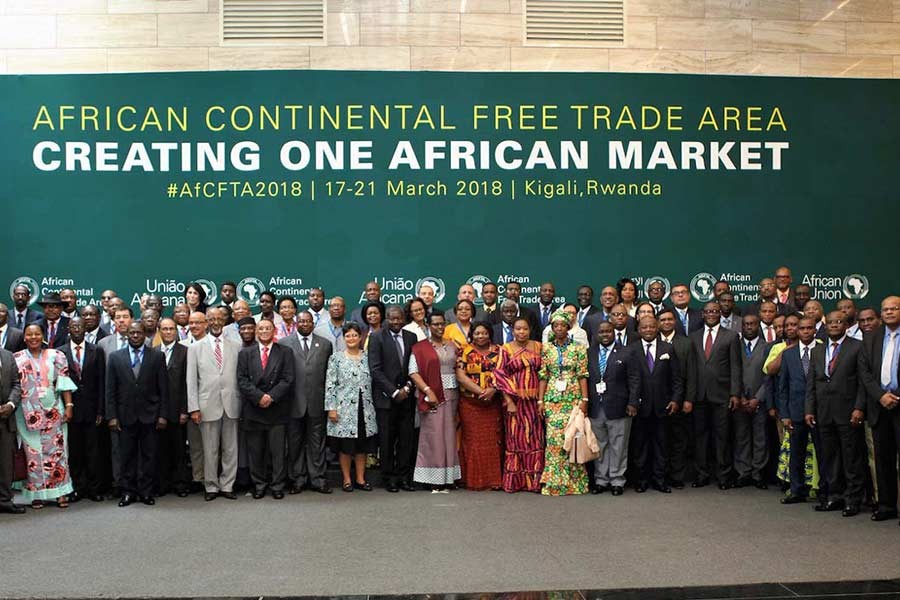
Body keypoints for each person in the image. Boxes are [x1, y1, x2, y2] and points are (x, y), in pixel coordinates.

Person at [805, 311, 867, 517]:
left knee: (851, 458)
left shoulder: (857, 347)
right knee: (829, 457)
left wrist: (859, 407)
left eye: (838, 322)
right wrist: (809, 410)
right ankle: (834, 496)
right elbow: (812, 384)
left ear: (846, 325)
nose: (833, 325)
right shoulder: (817, 351)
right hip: (823, 412)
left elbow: (862, 382)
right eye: (830, 322)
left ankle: (853, 499)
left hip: (848, 411)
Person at [14, 323, 77, 508]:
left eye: (37, 334)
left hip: (54, 412)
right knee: (33, 455)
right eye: (29, 334)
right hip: (26, 413)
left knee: (58, 453)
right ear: (24, 337)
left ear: (42, 336)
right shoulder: (16, 358)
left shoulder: (56, 355)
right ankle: (37, 493)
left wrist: (69, 406)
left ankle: (61, 492)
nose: (33, 337)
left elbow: (64, 382)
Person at [106, 323, 168, 507]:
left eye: (138, 333)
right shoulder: (115, 357)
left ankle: (146, 491)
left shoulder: (157, 356)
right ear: (126, 335)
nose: (135, 335)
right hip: (125, 416)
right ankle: (128, 492)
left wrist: (163, 415)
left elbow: (163, 389)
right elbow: (111, 390)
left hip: (150, 415)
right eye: (131, 332)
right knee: (127, 456)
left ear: (144, 335)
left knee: (149, 456)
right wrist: (112, 416)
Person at [186, 307, 241, 501]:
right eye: (212, 319)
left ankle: (227, 485)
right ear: (207, 322)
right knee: (209, 449)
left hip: (232, 405)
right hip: (207, 405)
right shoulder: (195, 348)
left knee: (230, 449)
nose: (216, 322)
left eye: (219, 319)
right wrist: (193, 407)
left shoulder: (236, 346)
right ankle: (211, 486)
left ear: (224, 321)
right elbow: (191, 381)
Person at [237, 318, 294, 499]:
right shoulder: (245, 353)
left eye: (267, 328)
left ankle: (277, 486)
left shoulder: (285, 352)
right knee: (256, 452)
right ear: (256, 331)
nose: (264, 331)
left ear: (274, 330)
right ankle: (259, 485)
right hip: (254, 409)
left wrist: (271, 397)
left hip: (276, 409)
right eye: (260, 328)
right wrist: (259, 397)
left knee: (278, 453)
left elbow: (288, 379)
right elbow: (242, 380)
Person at [278, 310, 333, 494]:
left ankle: (318, 479)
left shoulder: (325, 344)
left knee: (317, 444)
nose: (304, 324)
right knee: (295, 444)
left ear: (313, 323)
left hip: (317, 403)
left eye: (308, 321)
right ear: (296, 322)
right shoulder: (284, 343)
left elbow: (329, 376)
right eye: (301, 321)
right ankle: (298, 479)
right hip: (293, 404)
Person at [690, 302, 741, 489]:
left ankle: (724, 476)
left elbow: (736, 366)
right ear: (702, 315)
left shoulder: (731, 336)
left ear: (721, 314)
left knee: (722, 437)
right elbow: (691, 367)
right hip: (699, 395)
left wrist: (735, 393)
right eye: (708, 311)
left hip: (722, 395)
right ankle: (702, 474)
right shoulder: (693, 337)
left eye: (715, 311)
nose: (711, 314)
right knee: (700, 437)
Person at [537, 310, 589, 496]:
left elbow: (583, 374)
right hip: (552, 399)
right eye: (555, 325)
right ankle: (554, 483)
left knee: (572, 439)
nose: (559, 328)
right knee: (553, 441)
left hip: (573, 398)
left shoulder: (578, 348)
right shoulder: (547, 348)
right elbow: (543, 375)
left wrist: (585, 400)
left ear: (568, 327)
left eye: (562, 325)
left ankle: (574, 484)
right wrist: (540, 400)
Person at [409, 313, 461, 491]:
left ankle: (448, 478)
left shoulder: (453, 345)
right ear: (428, 326)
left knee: (448, 436)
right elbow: (413, 372)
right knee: (433, 436)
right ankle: (434, 479)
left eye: (442, 324)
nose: (439, 327)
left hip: (452, 395)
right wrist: (428, 390)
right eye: (435, 324)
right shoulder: (420, 348)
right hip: (432, 396)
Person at [587, 320, 639, 496]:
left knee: (618, 445)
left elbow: (634, 379)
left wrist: (633, 402)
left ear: (614, 333)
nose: (605, 334)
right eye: (601, 332)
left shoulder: (626, 352)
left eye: (608, 331)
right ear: (596, 334)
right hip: (595, 407)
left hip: (619, 406)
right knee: (599, 445)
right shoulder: (589, 353)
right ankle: (601, 480)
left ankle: (617, 480)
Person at [368, 306, 417, 492]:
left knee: (406, 440)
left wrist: (407, 388)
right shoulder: (376, 337)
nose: (396, 322)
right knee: (387, 441)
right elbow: (375, 370)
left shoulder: (411, 337)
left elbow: (414, 367)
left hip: (407, 398)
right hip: (386, 400)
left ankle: (404, 477)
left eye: (399, 319)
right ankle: (389, 478)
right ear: (386, 319)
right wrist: (394, 392)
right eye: (392, 319)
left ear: (404, 318)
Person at [325, 322, 378, 493]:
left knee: (361, 447)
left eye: (355, 335)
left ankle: (361, 479)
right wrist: (331, 408)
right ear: (344, 338)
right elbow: (330, 384)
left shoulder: (368, 357)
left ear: (360, 337)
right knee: (345, 447)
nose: (351, 338)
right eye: (348, 335)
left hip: (365, 408)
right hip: (343, 409)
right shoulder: (336, 358)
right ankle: (347, 480)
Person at [493, 317, 544, 493]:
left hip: (535, 401)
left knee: (535, 438)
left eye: (525, 329)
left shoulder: (539, 347)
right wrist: (509, 401)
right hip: (515, 402)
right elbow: (499, 375)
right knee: (516, 438)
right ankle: (515, 481)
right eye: (518, 329)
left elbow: (545, 373)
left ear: (530, 330)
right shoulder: (506, 349)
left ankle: (534, 482)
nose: (521, 332)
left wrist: (542, 400)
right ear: (513, 331)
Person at [861, 296, 900, 522]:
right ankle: (886, 506)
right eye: (885, 309)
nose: (889, 312)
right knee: (883, 458)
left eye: (894, 308)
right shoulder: (872, 338)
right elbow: (865, 373)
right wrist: (881, 395)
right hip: (880, 405)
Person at [633, 315, 682, 493]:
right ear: (639, 330)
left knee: (661, 445)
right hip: (640, 407)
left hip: (663, 406)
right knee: (640, 446)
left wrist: (676, 399)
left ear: (657, 328)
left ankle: (660, 480)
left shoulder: (668, 348)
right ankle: (641, 480)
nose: (648, 330)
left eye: (652, 327)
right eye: (644, 327)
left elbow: (676, 378)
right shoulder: (633, 350)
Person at [779, 318, 823, 505]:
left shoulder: (822, 350)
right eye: (802, 328)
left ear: (815, 330)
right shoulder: (788, 354)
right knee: (796, 453)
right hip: (795, 411)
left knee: (823, 453)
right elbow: (783, 387)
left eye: (809, 328)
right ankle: (796, 490)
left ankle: (825, 490)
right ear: (797, 330)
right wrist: (785, 414)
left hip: (819, 410)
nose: (805, 331)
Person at [61, 317, 106, 503]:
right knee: (75, 451)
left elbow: (102, 381)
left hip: (92, 409)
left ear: (85, 329)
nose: (77, 329)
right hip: (71, 410)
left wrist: (101, 410)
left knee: (93, 451)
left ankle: (94, 489)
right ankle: (78, 487)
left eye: (80, 326)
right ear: (69, 330)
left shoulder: (97, 350)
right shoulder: (60, 352)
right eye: (73, 326)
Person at [455, 322, 503, 491]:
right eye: (477, 333)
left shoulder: (499, 351)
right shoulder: (464, 350)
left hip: (493, 403)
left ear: (489, 334)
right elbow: (460, 376)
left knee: (492, 442)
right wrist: (482, 391)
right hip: (470, 403)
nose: (480, 336)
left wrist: (493, 390)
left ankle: (494, 480)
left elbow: (503, 373)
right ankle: (473, 480)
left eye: (484, 333)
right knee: (473, 441)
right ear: (472, 335)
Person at [658, 308, 696, 490]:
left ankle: (677, 476)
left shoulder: (686, 343)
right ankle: (660, 474)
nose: (666, 322)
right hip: (657, 400)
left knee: (678, 440)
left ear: (675, 321)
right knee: (660, 440)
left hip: (680, 399)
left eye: (669, 319)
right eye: (663, 319)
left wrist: (688, 399)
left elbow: (691, 373)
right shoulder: (652, 339)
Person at [733, 314, 771, 489]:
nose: (749, 327)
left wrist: (757, 398)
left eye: (752, 324)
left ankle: (758, 474)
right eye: (746, 324)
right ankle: (743, 472)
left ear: (758, 326)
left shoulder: (767, 347)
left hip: (759, 401)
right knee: (741, 437)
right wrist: (739, 396)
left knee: (760, 438)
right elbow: (732, 372)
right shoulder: (735, 346)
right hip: (739, 400)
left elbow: (769, 376)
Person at [156, 317, 190, 498]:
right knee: (161, 450)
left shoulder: (185, 352)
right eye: (165, 329)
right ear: (159, 330)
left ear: (176, 331)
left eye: (171, 329)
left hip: (178, 410)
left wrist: (185, 409)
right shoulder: (153, 352)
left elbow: (188, 383)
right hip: (158, 412)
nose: (168, 332)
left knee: (179, 450)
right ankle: (163, 483)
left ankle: (180, 484)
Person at [0, 340, 22, 514]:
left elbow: (16, 383)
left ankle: (5, 500)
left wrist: (11, 404)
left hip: (6, 417)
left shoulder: (8, 356)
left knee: (5, 462)